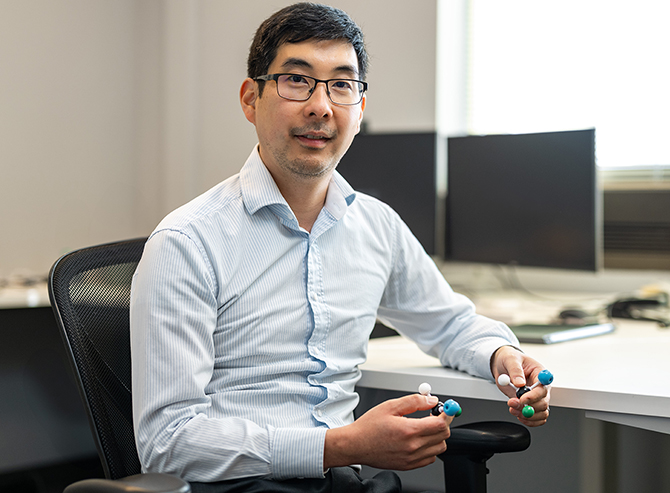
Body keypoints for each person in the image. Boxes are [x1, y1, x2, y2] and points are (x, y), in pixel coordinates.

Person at [130, 3, 550, 492]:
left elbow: (450, 323)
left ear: (360, 108)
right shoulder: (187, 243)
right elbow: (169, 444)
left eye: (342, 85)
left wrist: (503, 356)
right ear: (250, 99)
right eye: (296, 80)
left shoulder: (376, 226)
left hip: (345, 483)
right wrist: (344, 445)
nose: (321, 107)